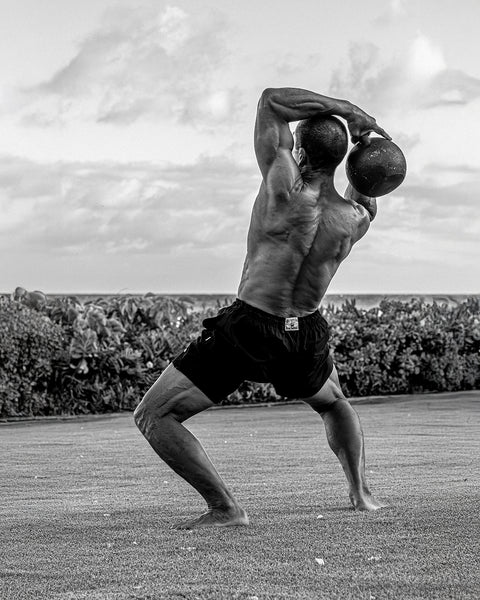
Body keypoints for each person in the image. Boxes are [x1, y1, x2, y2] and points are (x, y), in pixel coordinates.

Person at [134, 87, 391, 529]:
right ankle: (362, 494)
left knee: (154, 415)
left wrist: (350, 113)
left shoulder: (282, 189)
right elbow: (369, 187)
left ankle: (225, 507)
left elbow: (272, 101)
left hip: (250, 327)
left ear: (302, 153)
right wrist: (368, 151)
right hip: (304, 332)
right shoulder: (355, 220)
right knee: (334, 403)